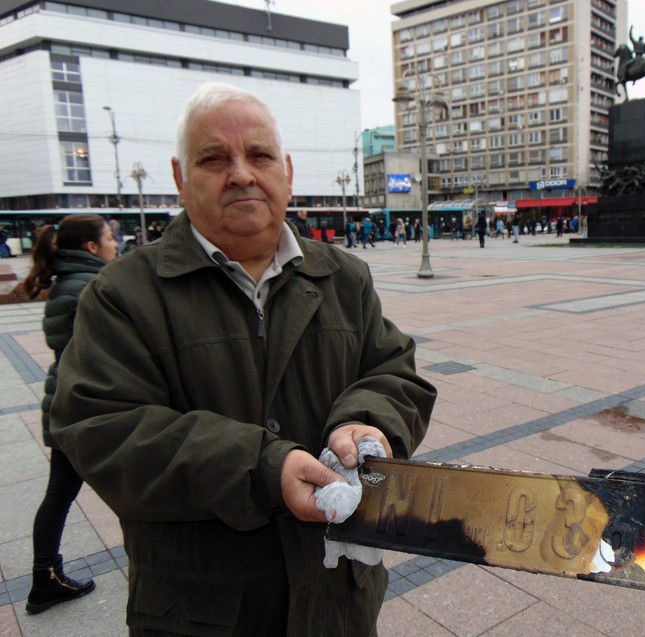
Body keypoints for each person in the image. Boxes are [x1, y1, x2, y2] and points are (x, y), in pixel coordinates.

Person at [50, 82, 436, 635]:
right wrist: (262, 468)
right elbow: (100, 429)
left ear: (287, 171)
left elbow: (393, 370)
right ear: (181, 178)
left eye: (259, 155)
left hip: (335, 604)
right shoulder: (123, 294)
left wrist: (368, 421)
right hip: (199, 611)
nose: (241, 173)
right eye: (214, 158)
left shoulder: (344, 277)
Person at [23, 214, 118, 614]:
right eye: (111, 237)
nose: (116, 243)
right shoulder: (91, 287)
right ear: (92, 248)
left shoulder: (72, 282)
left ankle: (45, 575)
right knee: (68, 493)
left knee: (59, 494)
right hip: (83, 408)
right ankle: (44, 576)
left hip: (68, 403)